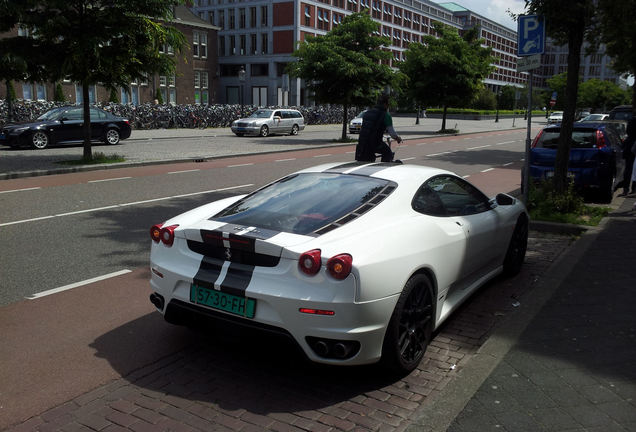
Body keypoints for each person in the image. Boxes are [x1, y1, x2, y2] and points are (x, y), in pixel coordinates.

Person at [355, 94, 402, 162]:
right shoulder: (386, 115)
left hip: (362, 142)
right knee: (388, 153)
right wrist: (397, 138)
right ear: (385, 104)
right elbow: (392, 133)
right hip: (375, 143)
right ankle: (383, 168)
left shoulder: (368, 112)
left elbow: (370, 127)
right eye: (388, 104)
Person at [618, 116, 636, 196]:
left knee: (628, 168)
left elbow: (628, 132)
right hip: (632, 146)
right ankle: (634, 189)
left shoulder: (632, 120)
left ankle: (626, 189)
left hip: (630, 146)